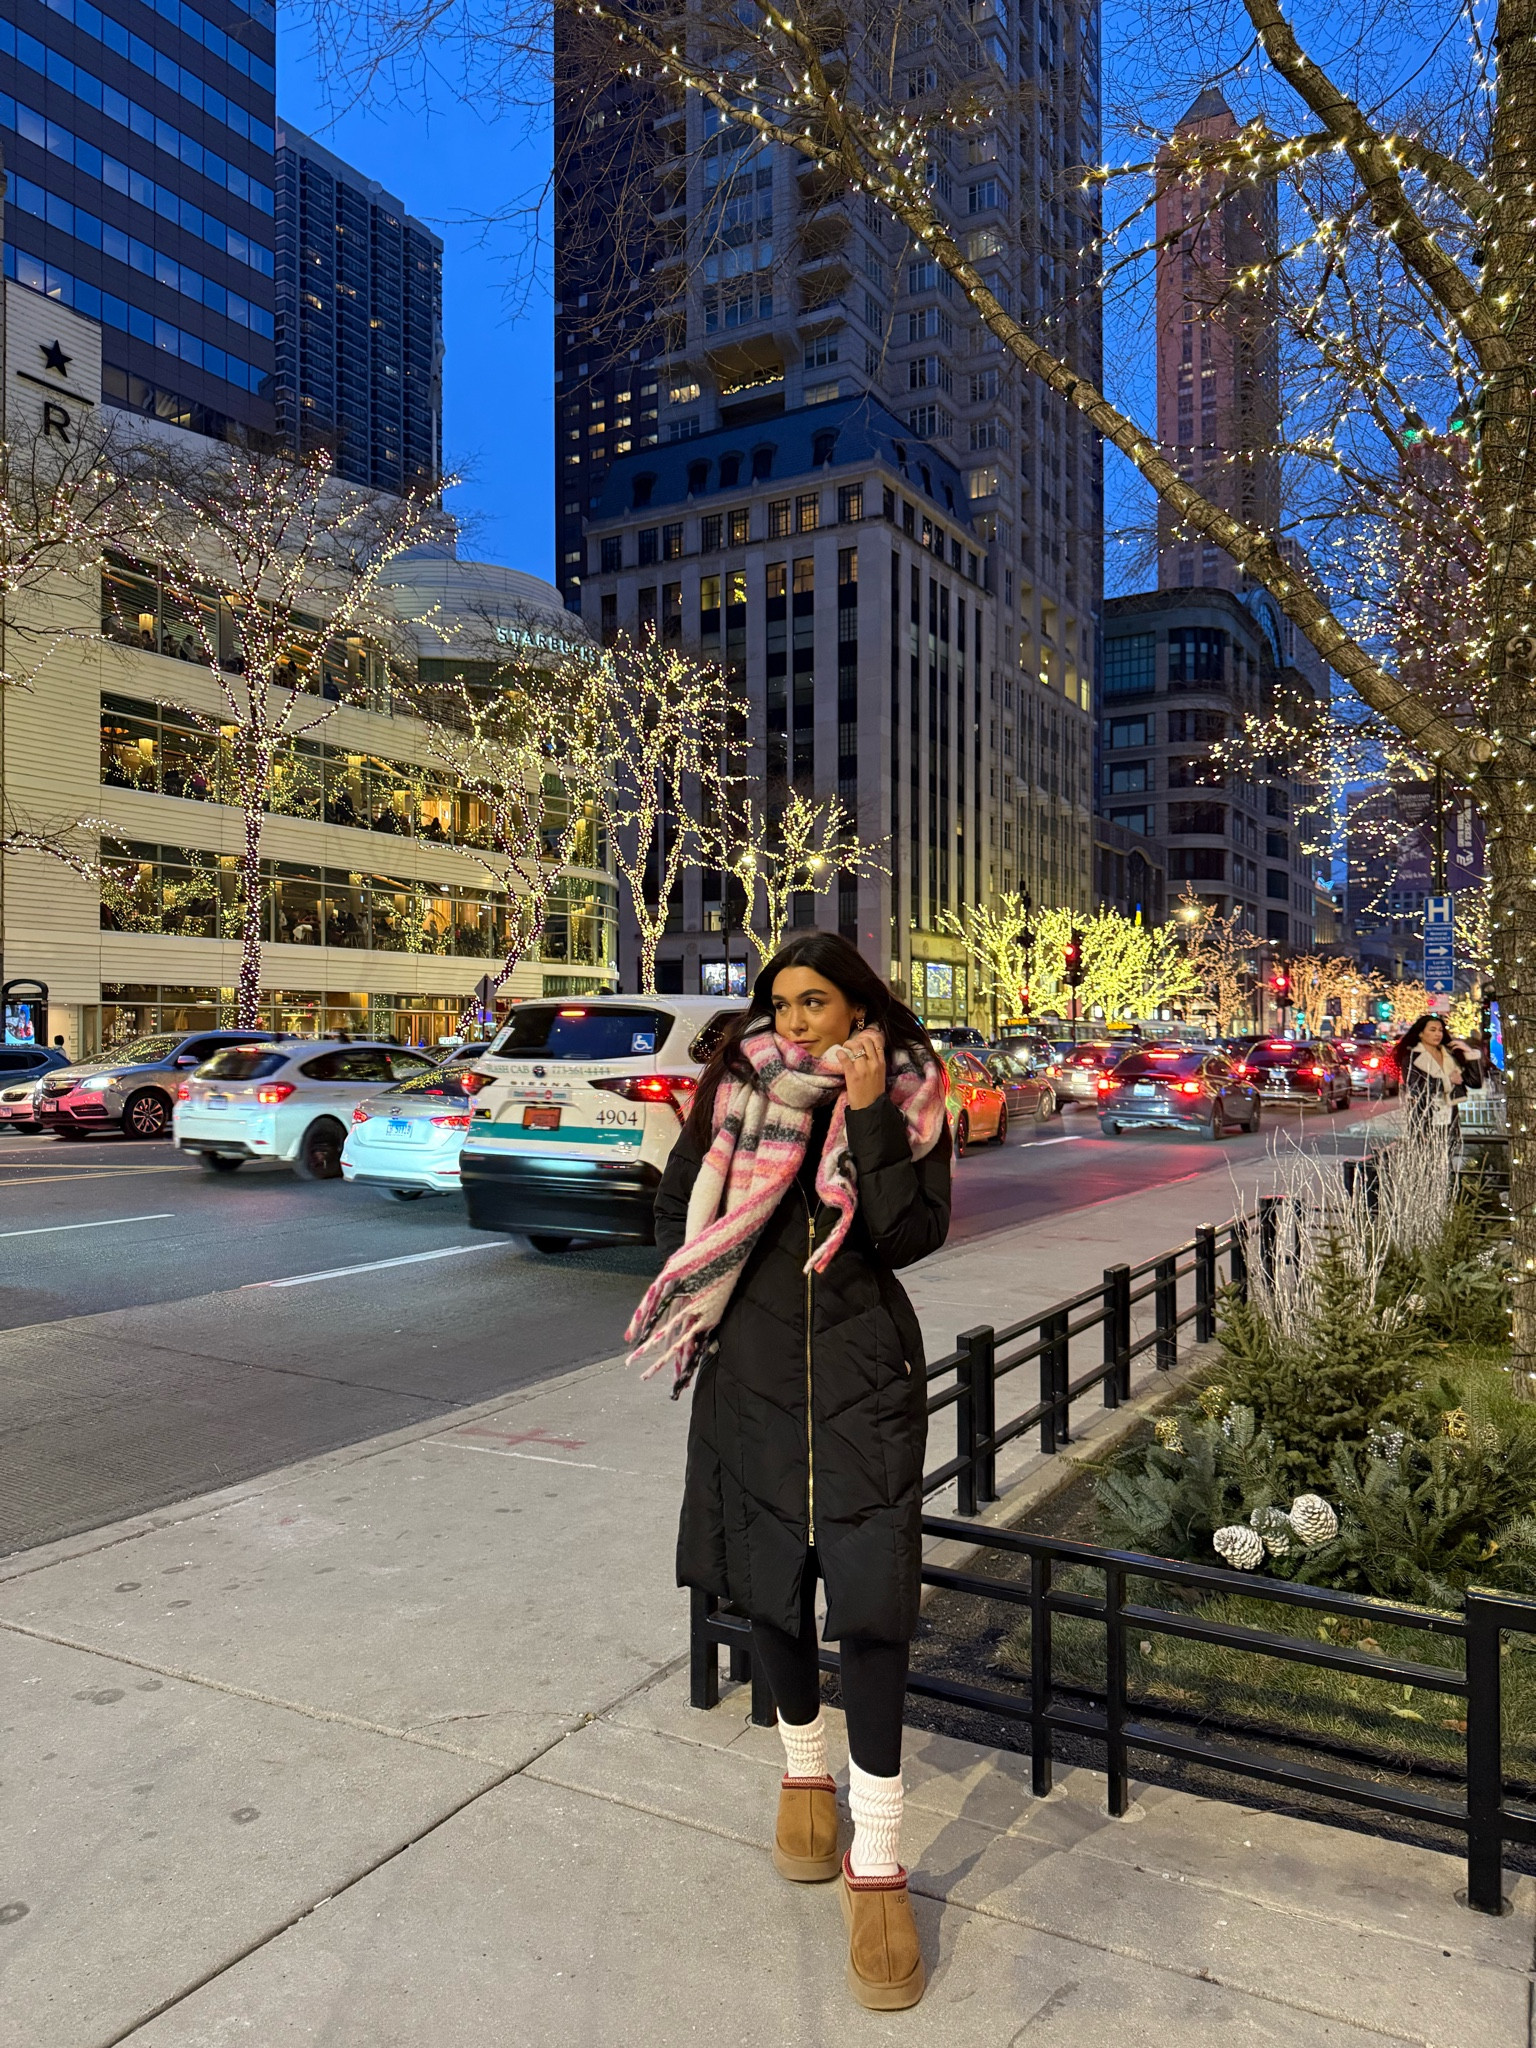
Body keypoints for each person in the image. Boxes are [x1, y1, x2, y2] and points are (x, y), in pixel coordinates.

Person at [627, 931, 951, 2012]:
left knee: (870, 1604)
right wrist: (705, 1286)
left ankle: (879, 1858)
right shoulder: (736, 1083)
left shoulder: (910, 1090)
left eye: (815, 1001)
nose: (795, 1020)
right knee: (766, 1571)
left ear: (860, 1006)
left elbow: (907, 1233)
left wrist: (862, 1113)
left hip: (863, 1373)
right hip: (752, 1362)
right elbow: (677, 1203)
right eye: (781, 1002)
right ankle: (804, 1772)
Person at [1393, 1012, 1483, 1134]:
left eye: (1440, 1030)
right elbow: (1416, 1088)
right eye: (1433, 1030)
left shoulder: (1450, 1055)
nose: (1438, 1034)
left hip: (1450, 1118)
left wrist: (1468, 1052)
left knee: (1450, 1150)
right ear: (1421, 1033)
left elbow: (1474, 1082)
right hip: (1424, 1118)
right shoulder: (1411, 1057)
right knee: (1428, 1151)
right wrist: (1447, 1081)